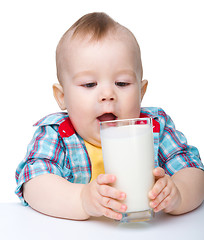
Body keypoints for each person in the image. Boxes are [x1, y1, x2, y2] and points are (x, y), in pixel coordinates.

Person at [15, 12, 204, 221]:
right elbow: (33, 183)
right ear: (62, 97)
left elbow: (193, 169)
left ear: (142, 92)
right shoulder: (57, 133)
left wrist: (179, 193)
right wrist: (81, 200)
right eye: (89, 84)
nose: (107, 95)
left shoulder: (155, 126)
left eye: (122, 83)